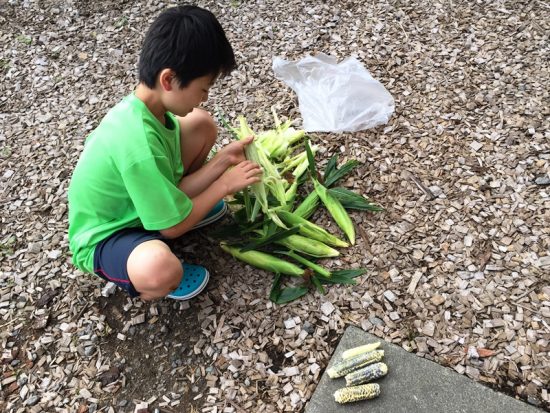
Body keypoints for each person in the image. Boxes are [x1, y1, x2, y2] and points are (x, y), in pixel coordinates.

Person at [68, 5, 261, 301]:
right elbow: (171, 228)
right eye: (203, 88)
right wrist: (224, 185)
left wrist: (224, 159)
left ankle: (178, 217)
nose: (204, 97)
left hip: (143, 208)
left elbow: (172, 186)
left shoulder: (149, 109)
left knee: (201, 124)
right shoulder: (137, 145)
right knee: (161, 269)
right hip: (108, 235)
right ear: (168, 80)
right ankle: (148, 280)